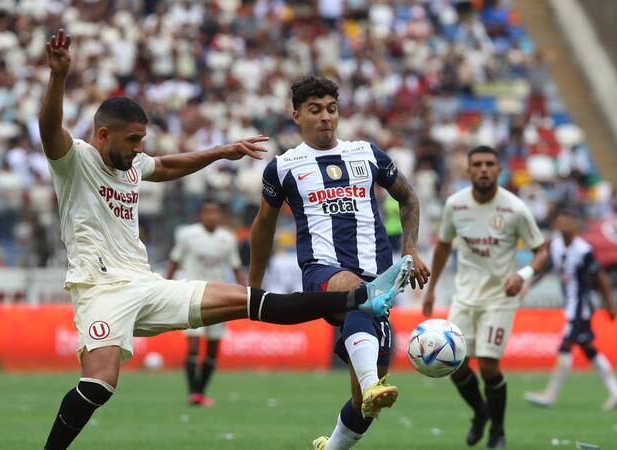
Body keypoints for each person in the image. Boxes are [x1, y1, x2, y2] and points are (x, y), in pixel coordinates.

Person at [39, 30, 414, 450]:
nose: (140, 148)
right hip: (100, 288)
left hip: (145, 284)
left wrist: (221, 151)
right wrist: (58, 78)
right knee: (99, 384)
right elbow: (50, 129)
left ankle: (356, 300)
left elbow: (166, 165)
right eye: (133, 140)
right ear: (103, 135)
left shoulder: (131, 164)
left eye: (142, 139)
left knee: (253, 302)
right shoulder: (76, 161)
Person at [248, 75, 431, 450]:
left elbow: (409, 198)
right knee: (355, 293)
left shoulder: (367, 154)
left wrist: (410, 247)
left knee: (364, 409)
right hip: (323, 272)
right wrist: (253, 288)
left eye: (331, 109)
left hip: (379, 279)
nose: (326, 117)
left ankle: (332, 443)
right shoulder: (283, 167)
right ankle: (370, 385)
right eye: (315, 110)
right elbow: (263, 226)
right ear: (297, 115)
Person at [422, 146, 549, 449]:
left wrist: (523, 275)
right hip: (464, 297)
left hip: (499, 298)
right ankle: (481, 412)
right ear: (468, 170)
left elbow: (542, 251)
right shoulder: (456, 205)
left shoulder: (514, 208)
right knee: (453, 364)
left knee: (489, 367)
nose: (483, 169)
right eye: (477, 164)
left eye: (489, 164)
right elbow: (442, 246)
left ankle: (497, 430)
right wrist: (431, 290)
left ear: (498, 169)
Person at [523, 208, 617, 410]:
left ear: (575, 225)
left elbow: (601, 277)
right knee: (590, 350)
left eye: (567, 222)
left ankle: (550, 395)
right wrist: (528, 285)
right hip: (570, 307)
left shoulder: (583, 250)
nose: (563, 226)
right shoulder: (555, 246)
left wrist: (610, 304)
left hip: (581, 309)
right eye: (560, 222)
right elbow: (545, 268)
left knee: (565, 347)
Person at [166, 199, 244, 407]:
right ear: (201, 215)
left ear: (220, 215)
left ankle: (200, 392)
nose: (211, 216)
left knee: (212, 348)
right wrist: (165, 288)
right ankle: (193, 392)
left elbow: (236, 267)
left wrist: (247, 294)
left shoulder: (227, 238)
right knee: (193, 344)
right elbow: (174, 261)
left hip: (218, 297)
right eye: (207, 212)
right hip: (192, 295)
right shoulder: (188, 236)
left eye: (215, 212)